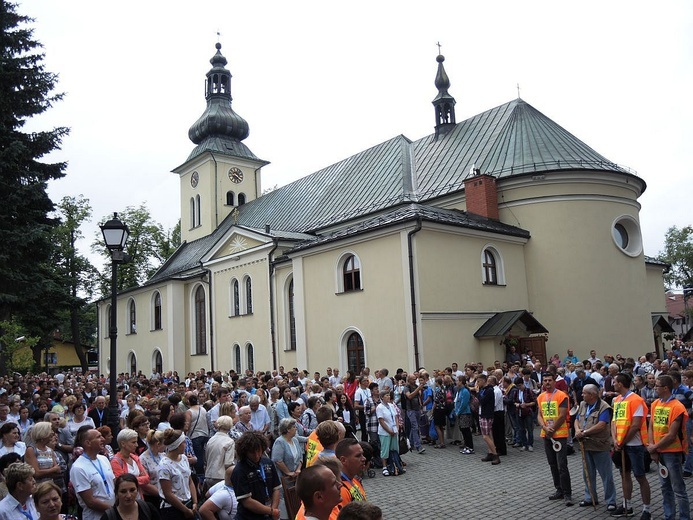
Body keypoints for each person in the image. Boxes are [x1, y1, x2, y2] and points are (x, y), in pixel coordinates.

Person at [647, 374, 689, 520]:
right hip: (659, 451)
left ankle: (684, 517)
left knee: (678, 489)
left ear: (665, 388)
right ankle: (669, 516)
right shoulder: (655, 404)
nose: (654, 388)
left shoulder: (677, 407)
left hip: (672, 452)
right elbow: (651, 426)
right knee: (665, 488)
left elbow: (672, 435)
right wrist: (652, 446)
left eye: (657, 385)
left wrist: (654, 447)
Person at [611, 372, 651, 519]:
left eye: (614, 382)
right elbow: (614, 421)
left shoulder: (636, 400)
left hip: (634, 445)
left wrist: (622, 442)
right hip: (621, 445)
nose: (613, 384)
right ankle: (627, 505)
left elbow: (635, 425)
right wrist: (615, 440)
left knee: (640, 476)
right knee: (624, 475)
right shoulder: (617, 400)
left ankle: (647, 509)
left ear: (620, 384)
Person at [573, 384, 617, 511]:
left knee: (606, 475)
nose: (582, 395)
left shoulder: (604, 407)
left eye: (584, 393)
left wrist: (585, 432)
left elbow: (602, 425)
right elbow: (576, 419)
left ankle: (611, 501)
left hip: (599, 445)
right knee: (587, 473)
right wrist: (577, 430)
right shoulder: (582, 404)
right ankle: (590, 497)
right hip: (585, 445)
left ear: (592, 395)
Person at [537, 372, 572, 506]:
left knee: (562, 465)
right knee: (552, 464)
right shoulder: (540, 397)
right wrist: (544, 428)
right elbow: (539, 415)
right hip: (547, 435)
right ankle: (559, 490)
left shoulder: (562, 396)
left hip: (560, 435)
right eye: (545, 380)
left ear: (554, 381)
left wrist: (552, 430)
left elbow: (563, 415)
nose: (547, 383)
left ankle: (567, 493)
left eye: (549, 380)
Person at [230, 431, 281, 520]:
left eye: (259, 451)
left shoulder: (268, 463)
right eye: (252, 452)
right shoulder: (239, 470)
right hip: (249, 517)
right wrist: (271, 511)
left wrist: (274, 510)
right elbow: (247, 502)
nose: (257, 455)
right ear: (245, 452)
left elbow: (276, 489)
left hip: (269, 514)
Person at [70, 428, 117, 520]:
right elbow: (90, 502)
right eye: (99, 437)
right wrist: (114, 511)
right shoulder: (78, 467)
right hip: (95, 517)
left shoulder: (104, 459)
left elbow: (114, 483)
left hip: (112, 515)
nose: (103, 439)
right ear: (88, 443)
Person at [159, 429, 198, 520]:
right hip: (172, 508)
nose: (185, 445)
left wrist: (195, 502)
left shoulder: (184, 458)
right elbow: (168, 493)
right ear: (177, 445)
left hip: (188, 503)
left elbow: (190, 481)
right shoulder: (164, 465)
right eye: (184, 442)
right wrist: (185, 510)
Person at [272, 418, 302, 520]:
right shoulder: (279, 442)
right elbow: (277, 460)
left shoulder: (295, 440)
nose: (296, 428)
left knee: (295, 499)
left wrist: (298, 469)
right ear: (288, 429)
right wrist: (288, 472)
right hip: (283, 478)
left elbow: (301, 457)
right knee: (284, 501)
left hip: (295, 477)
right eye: (294, 427)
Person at [110, 429, 153, 497]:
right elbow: (122, 483)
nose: (136, 445)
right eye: (133, 442)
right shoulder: (115, 461)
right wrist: (140, 478)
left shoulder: (135, 458)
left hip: (139, 498)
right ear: (123, 444)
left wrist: (130, 479)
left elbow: (147, 478)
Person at [205, 415, 236, 491]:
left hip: (208, 475)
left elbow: (206, 458)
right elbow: (228, 463)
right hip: (221, 477)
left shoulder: (211, 440)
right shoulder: (230, 442)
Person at [184, 392, 209, 483]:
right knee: (203, 456)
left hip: (195, 436)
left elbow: (187, 426)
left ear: (189, 402)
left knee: (198, 457)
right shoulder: (203, 409)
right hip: (205, 435)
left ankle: (200, 477)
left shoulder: (189, 411)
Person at [335, 438, 367, 508]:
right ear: (343, 460)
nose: (364, 458)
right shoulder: (340, 490)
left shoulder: (354, 479)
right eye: (358, 456)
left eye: (362, 454)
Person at [476, 374, 500, 465]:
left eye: (478, 381)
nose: (477, 383)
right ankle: (490, 453)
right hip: (483, 414)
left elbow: (482, 401)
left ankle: (495, 454)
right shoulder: (484, 390)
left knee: (485, 436)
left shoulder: (489, 390)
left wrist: (478, 393)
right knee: (488, 435)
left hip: (487, 415)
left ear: (483, 381)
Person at [138, 429, 165, 508]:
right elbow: (145, 484)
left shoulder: (163, 455)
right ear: (158, 444)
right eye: (164, 443)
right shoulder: (143, 459)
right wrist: (163, 494)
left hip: (166, 495)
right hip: (152, 499)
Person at [403, 374, 425, 454]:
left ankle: (410, 443)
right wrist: (418, 389)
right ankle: (418, 446)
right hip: (410, 410)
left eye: (415, 379)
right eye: (413, 379)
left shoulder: (416, 386)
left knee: (415, 427)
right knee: (415, 427)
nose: (414, 381)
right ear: (409, 380)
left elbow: (419, 396)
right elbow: (409, 396)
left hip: (417, 408)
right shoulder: (406, 388)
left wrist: (421, 404)